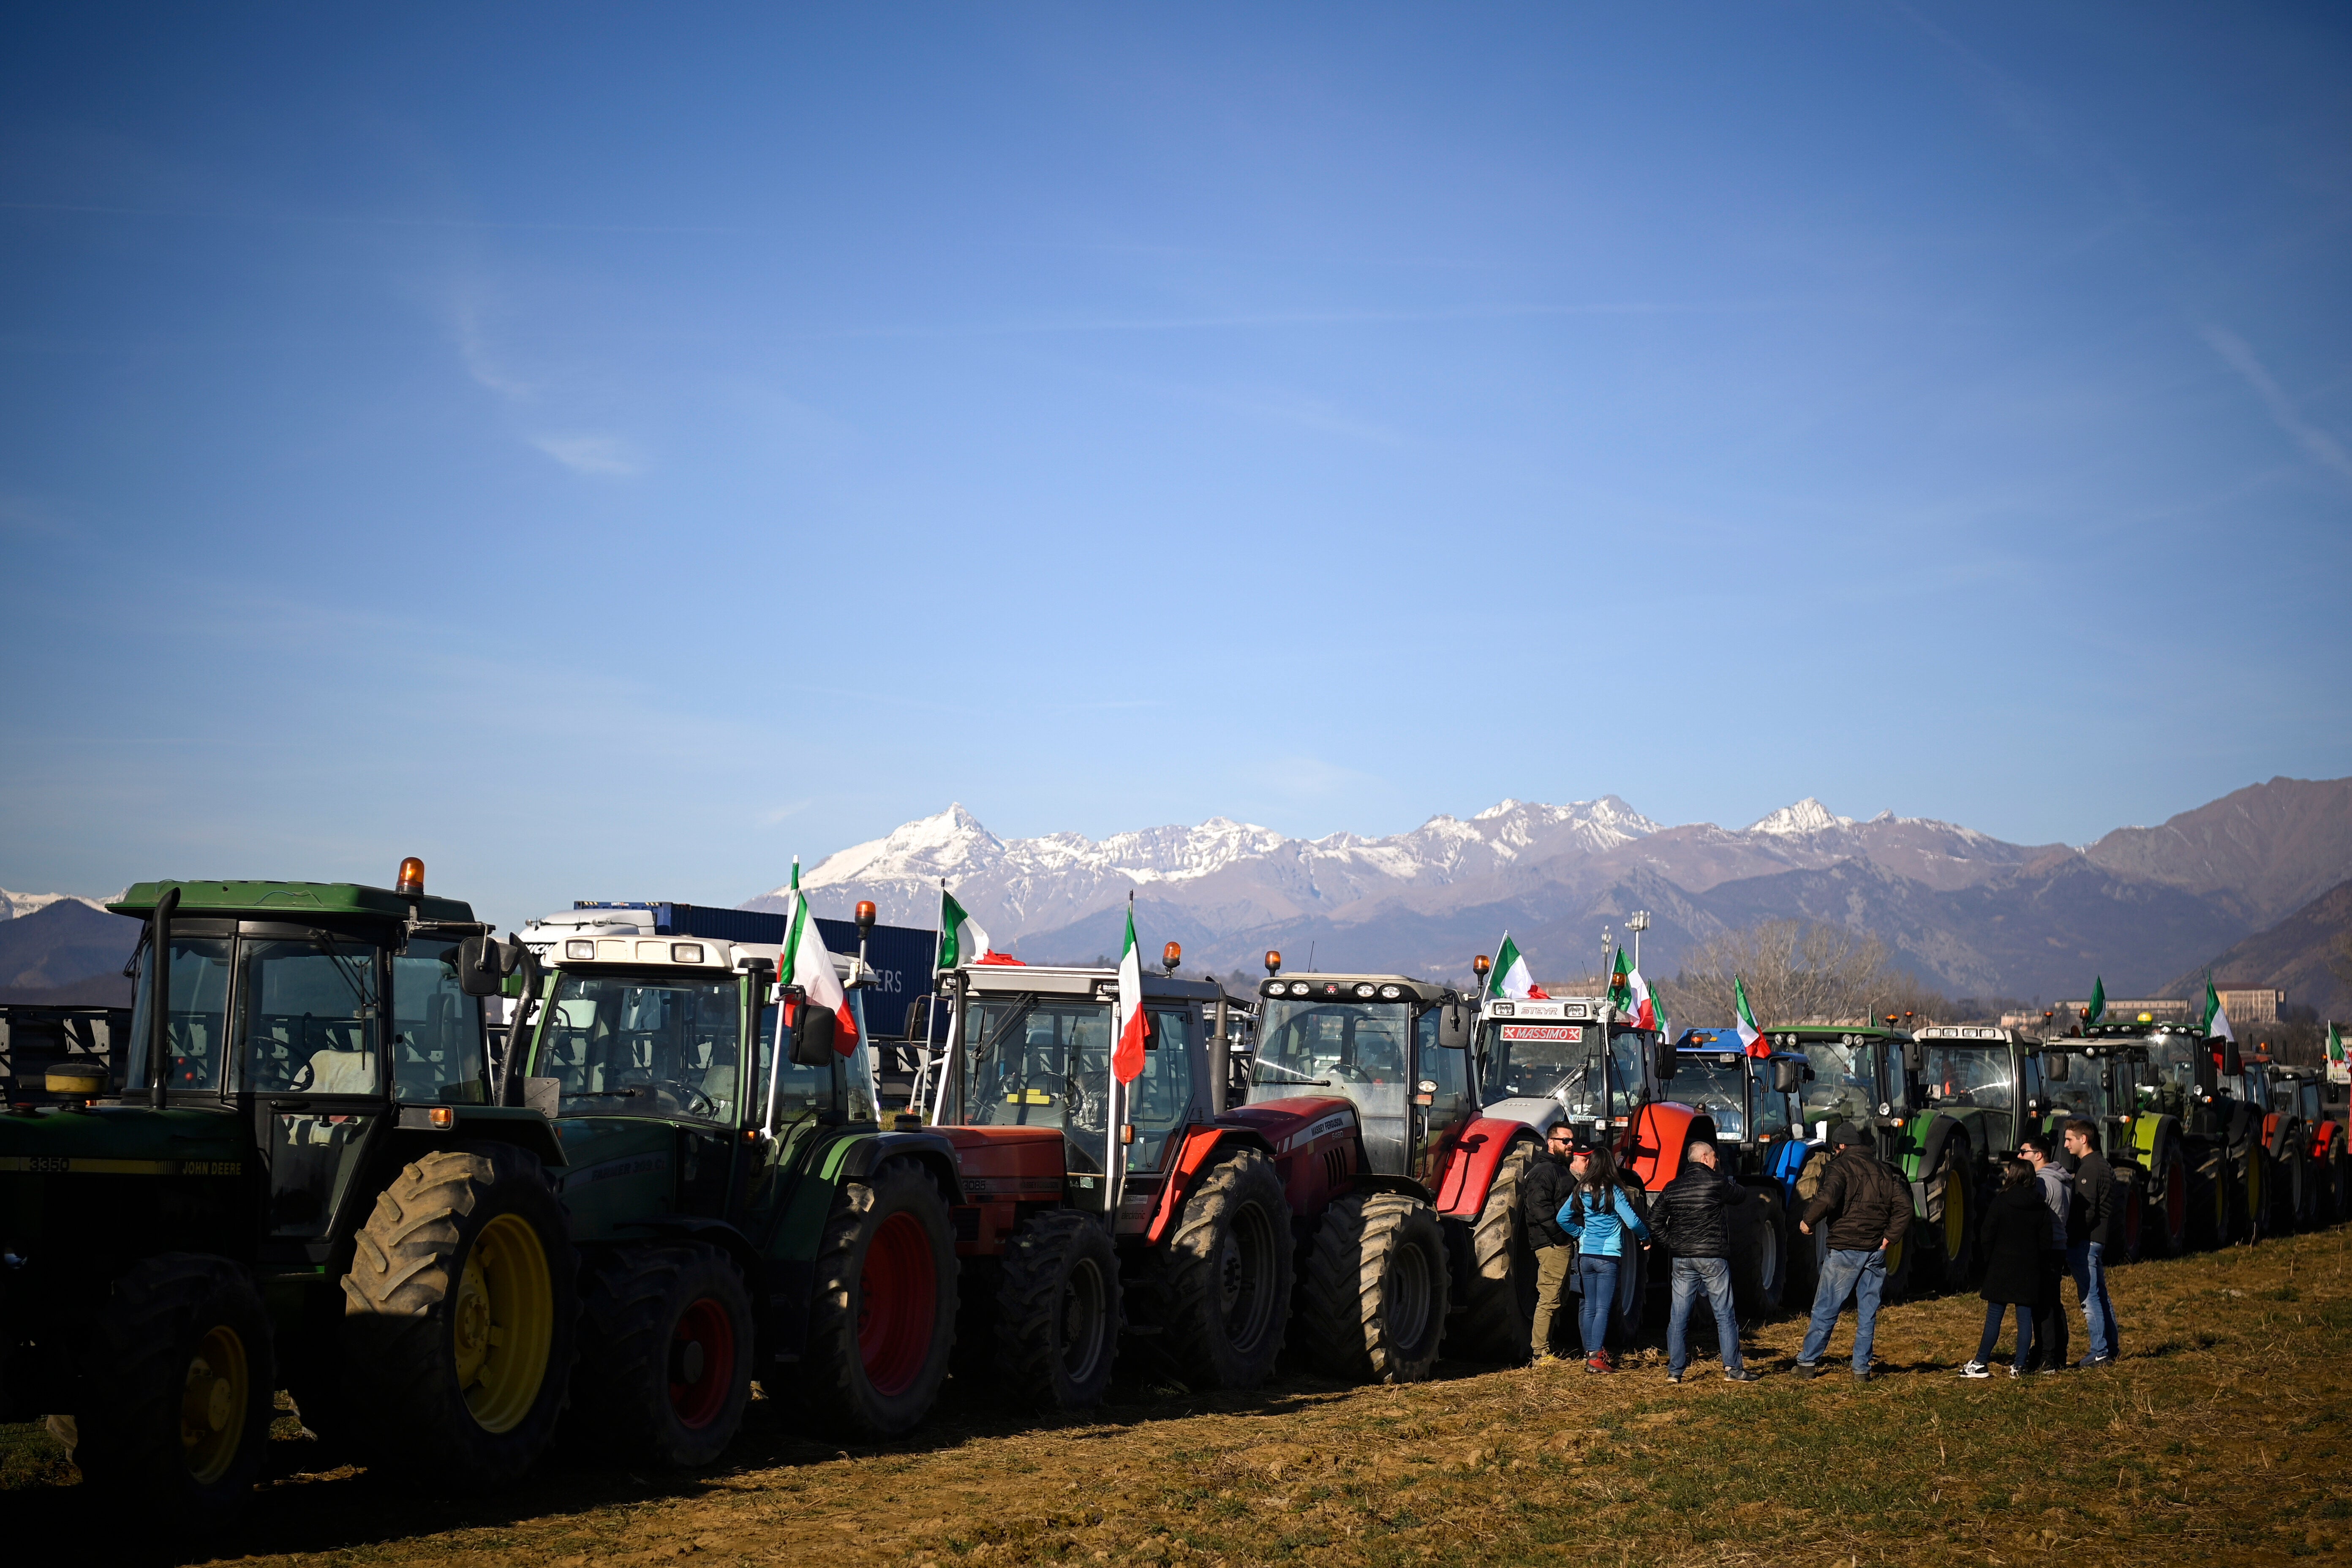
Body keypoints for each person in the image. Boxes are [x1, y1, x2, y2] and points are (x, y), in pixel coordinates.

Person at [1794, 1123, 1910, 1382]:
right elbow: (1905, 1207)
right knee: (1868, 1312)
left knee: (1826, 1307)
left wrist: (1807, 1221)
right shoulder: (1884, 1170)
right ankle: (1861, 1369)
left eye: (1836, 1147)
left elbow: (1826, 1199)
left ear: (1842, 1146)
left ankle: (1808, 1362)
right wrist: (1889, 1239)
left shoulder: (1840, 1166)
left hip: (1845, 1248)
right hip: (1875, 1251)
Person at [1654, 1138, 1760, 1383]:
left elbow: (1654, 1220)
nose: (1717, 1160)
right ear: (1704, 1158)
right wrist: (1726, 1178)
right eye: (1714, 1157)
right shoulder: (1716, 1183)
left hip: (1682, 1258)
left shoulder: (1673, 1187)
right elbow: (1740, 1196)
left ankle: (1675, 1371)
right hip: (1712, 1258)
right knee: (1724, 1314)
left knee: (1678, 1316)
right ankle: (1733, 1368)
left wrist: (1671, 1242)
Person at [1557, 1139, 1650, 1374]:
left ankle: (1590, 1353)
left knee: (1589, 1306)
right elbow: (1632, 1221)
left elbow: (1562, 1218)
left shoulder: (1582, 1189)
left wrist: (1581, 1233)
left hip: (1586, 1254)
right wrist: (1645, 1238)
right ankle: (1597, 1357)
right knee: (1603, 1308)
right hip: (1608, 1256)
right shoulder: (1613, 1191)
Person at [1959, 1158, 2050, 1377]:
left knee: (1994, 1318)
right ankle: (2019, 1366)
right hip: (2029, 1270)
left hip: (2000, 1267)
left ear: (2012, 1176)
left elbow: (1986, 1234)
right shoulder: (2041, 1206)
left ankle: (1981, 1362)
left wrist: (1990, 1260)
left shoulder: (2001, 1201)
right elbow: (2046, 1242)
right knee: (2024, 1320)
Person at [2063, 1119, 2120, 1368]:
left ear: (2083, 1139)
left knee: (2089, 1297)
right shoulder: (2104, 1165)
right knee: (2100, 1294)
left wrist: (2070, 1238)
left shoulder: (2089, 1169)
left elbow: (2085, 1212)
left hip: (2086, 1241)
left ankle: (2100, 1350)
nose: (2066, 1145)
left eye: (2069, 1139)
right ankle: (2111, 1347)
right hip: (2098, 1239)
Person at [1524, 1121, 1581, 1364]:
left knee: (1559, 1295)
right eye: (1564, 1141)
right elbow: (1539, 1207)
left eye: (1571, 1141)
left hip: (1558, 1243)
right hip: (1551, 1244)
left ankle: (1548, 1347)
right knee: (1549, 1297)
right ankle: (1540, 1353)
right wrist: (1560, 1239)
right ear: (1551, 1142)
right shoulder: (1544, 1172)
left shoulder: (1559, 1170)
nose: (1570, 1145)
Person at [2019, 1131, 2072, 1372]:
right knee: (2054, 1302)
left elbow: (2032, 1217)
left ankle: (2047, 1357)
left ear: (2038, 1155)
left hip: (2046, 1248)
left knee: (2044, 1306)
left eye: (2024, 1153)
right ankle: (2059, 1353)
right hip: (2060, 1246)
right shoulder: (2061, 1180)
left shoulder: (2041, 1182)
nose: (2020, 1157)